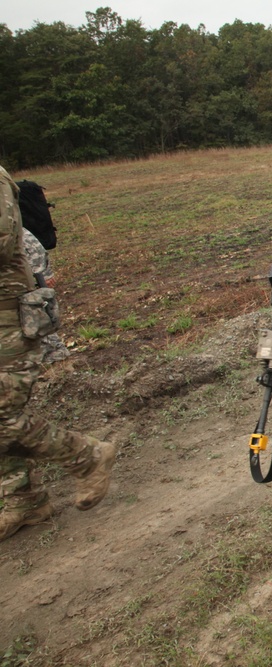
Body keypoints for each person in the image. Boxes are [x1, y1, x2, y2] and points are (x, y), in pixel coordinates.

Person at [0, 166, 116, 542]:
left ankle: (87, 455)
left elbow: (3, 239)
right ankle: (23, 499)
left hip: (5, 315)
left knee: (1, 416)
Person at [21, 229, 71, 364]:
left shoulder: (9, 223)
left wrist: (43, 273)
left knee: (36, 314)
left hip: (26, 284)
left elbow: (27, 241)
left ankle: (55, 355)